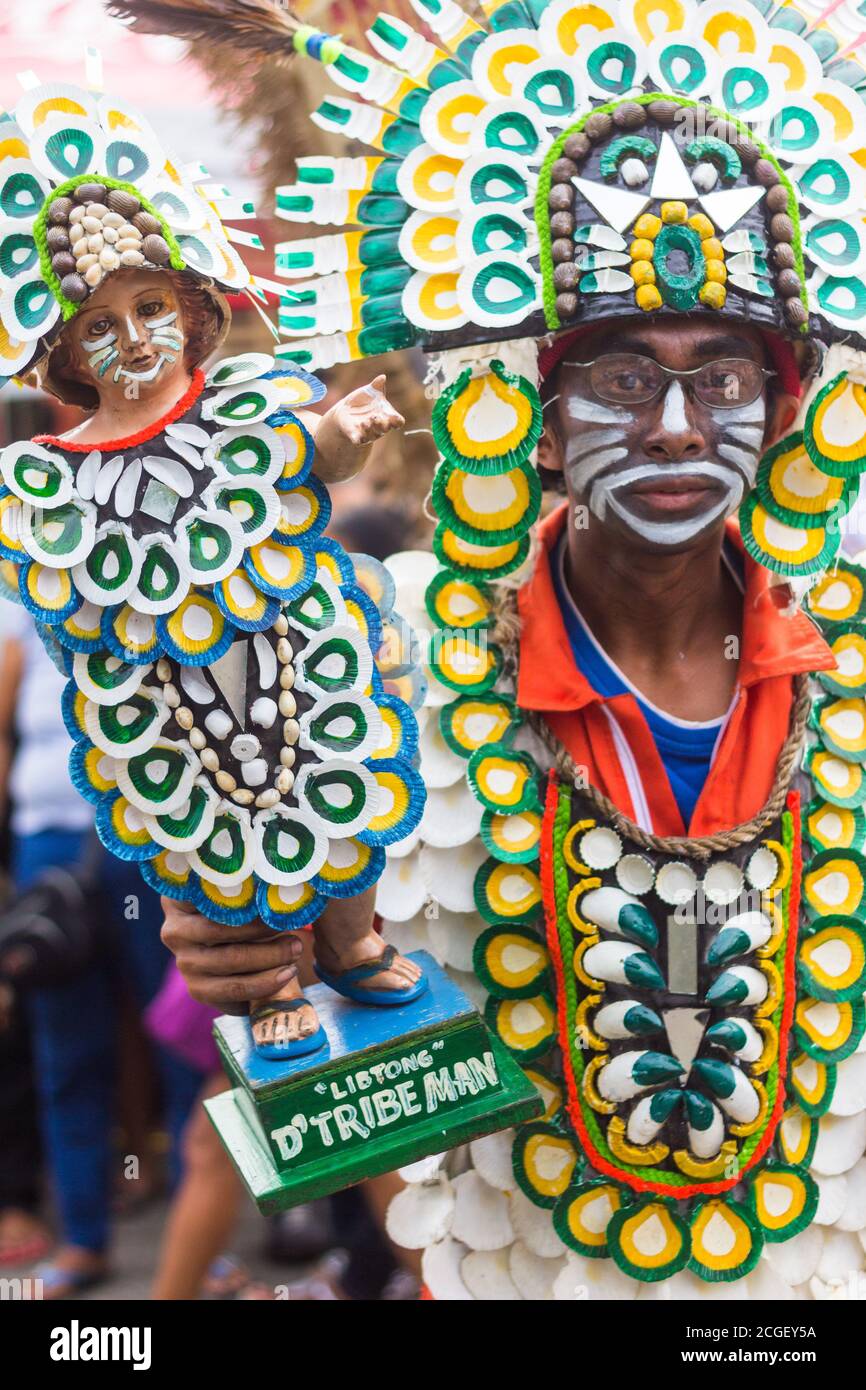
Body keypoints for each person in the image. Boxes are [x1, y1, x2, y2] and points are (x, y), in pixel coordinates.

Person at [158, 0, 866, 1298]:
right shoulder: (388, 653)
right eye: (612, 375)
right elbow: (344, 1068)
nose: (667, 427)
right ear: (533, 411)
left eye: (718, 377)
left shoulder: (851, 650)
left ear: (778, 413)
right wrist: (258, 946)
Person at [0, 71, 428, 1070]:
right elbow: (59, 581)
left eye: (149, 307)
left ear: (188, 313)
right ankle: (275, 983)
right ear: (67, 357)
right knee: (208, 840)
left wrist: (343, 428)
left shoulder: (233, 404)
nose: (133, 339)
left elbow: (297, 457)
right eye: (99, 327)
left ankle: (354, 943)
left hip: (291, 641)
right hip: (164, 691)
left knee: (339, 787)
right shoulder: (49, 477)